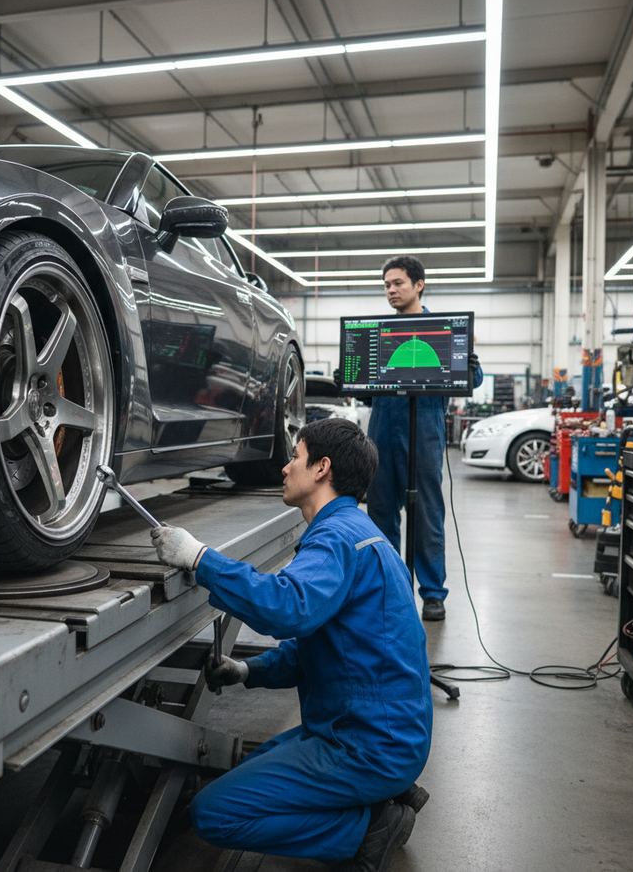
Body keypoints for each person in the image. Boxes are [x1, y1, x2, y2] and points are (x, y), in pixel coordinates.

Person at [151, 418, 432, 871]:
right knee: (254, 765)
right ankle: (383, 791)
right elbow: (325, 646)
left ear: (322, 468)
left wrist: (199, 559)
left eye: (294, 457)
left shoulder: (335, 540)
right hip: (374, 730)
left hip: (367, 743)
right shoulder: (360, 533)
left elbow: (287, 607)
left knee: (213, 814)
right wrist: (250, 671)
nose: (284, 468)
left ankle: (367, 830)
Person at [366, 255, 483, 622]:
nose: (391, 290)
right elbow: (370, 391)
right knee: (381, 511)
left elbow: (475, 379)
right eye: (386, 285)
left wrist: (465, 361)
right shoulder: (379, 332)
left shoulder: (444, 330)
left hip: (425, 427)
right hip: (383, 426)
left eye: (397, 283)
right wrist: (352, 380)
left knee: (427, 513)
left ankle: (433, 594)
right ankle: (388, 587)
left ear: (419, 285)